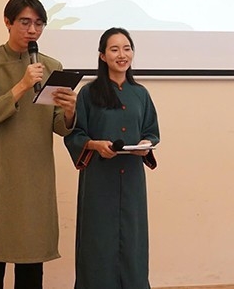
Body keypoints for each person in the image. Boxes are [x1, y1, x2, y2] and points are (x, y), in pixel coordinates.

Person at [0, 0, 77, 289]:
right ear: (7, 22)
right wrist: (23, 85)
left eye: (39, 24)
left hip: (34, 177)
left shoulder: (51, 66)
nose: (32, 30)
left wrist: (69, 112)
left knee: (31, 266)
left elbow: (59, 127)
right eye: (25, 22)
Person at [64, 27, 160, 289]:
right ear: (102, 56)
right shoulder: (89, 93)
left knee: (133, 241)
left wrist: (145, 144)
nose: (122, 55)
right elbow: (75, 134)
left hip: (132, 181)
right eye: (114, 49)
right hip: (99, 179)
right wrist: (95, 145)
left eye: (127, 48)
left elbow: (151, 132)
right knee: (98, 242)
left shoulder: (141, 94)